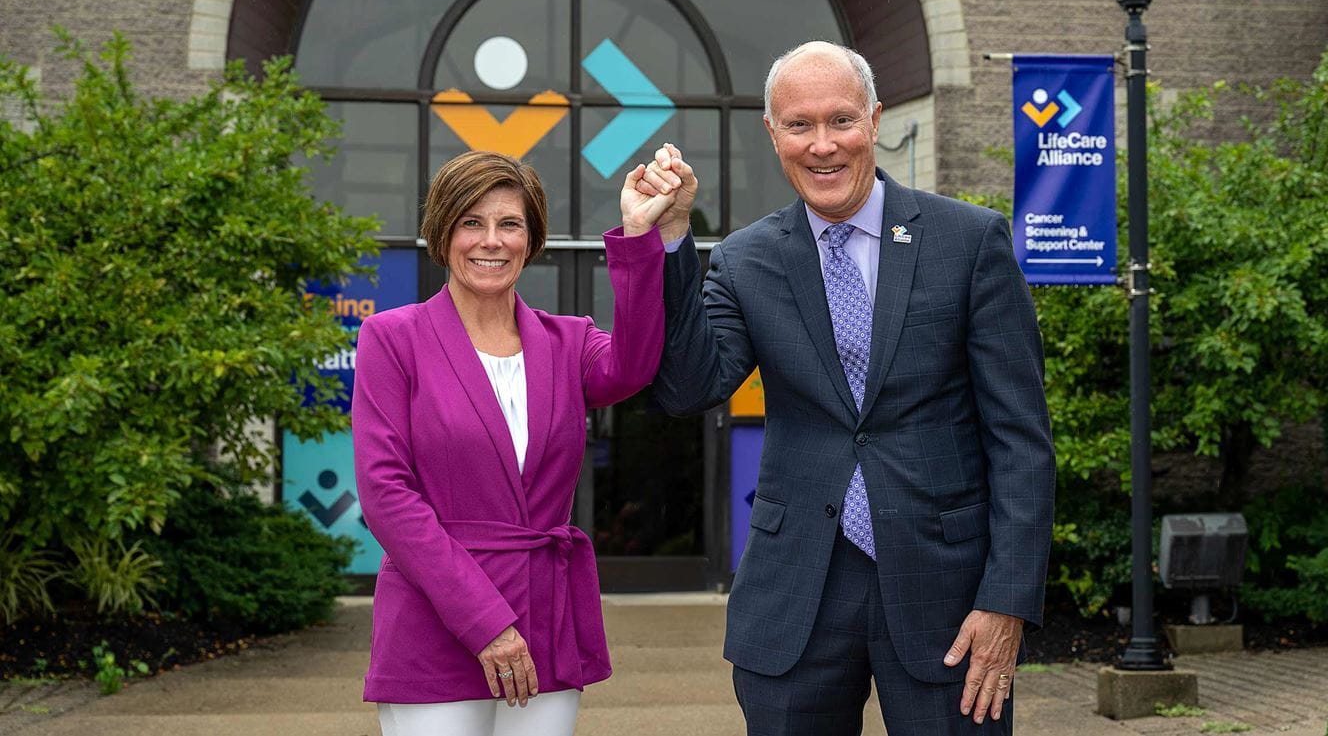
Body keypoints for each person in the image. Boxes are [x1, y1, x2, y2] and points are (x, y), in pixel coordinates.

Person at [641, 42, 1056, 734]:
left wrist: (1006, 599)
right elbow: (689, 387)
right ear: (773, 134)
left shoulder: (967, 241)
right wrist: (676, 237)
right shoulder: (746, 259)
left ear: (876, 118)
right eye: (799, 125)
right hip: (795, 592)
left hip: (948, 597)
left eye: (841, 120)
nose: (822, 145)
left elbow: (1020, 439)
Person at [353, 149, 690, 736]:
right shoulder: (392, 338)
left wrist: (639, 234)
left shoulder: (569, 342)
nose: (492, 241)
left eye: (510, 223)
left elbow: (635, 365)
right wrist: (485, 623)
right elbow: (386, 496)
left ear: (532, 239)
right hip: (435, 618)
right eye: (471, 222)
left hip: (544, 617)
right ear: (442, 233)